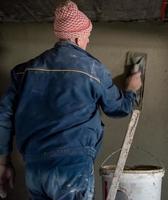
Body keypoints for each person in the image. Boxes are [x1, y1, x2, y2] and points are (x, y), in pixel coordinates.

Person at [0, 1, 142, 199]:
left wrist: (3, 162)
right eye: (87, 38)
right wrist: (131, 90)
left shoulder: (24, 71)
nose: (87, 43)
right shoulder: (93, 69)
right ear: (77, 38)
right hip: (72, 169)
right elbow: (118, 109)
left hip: (35, 169)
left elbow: (3, 116)